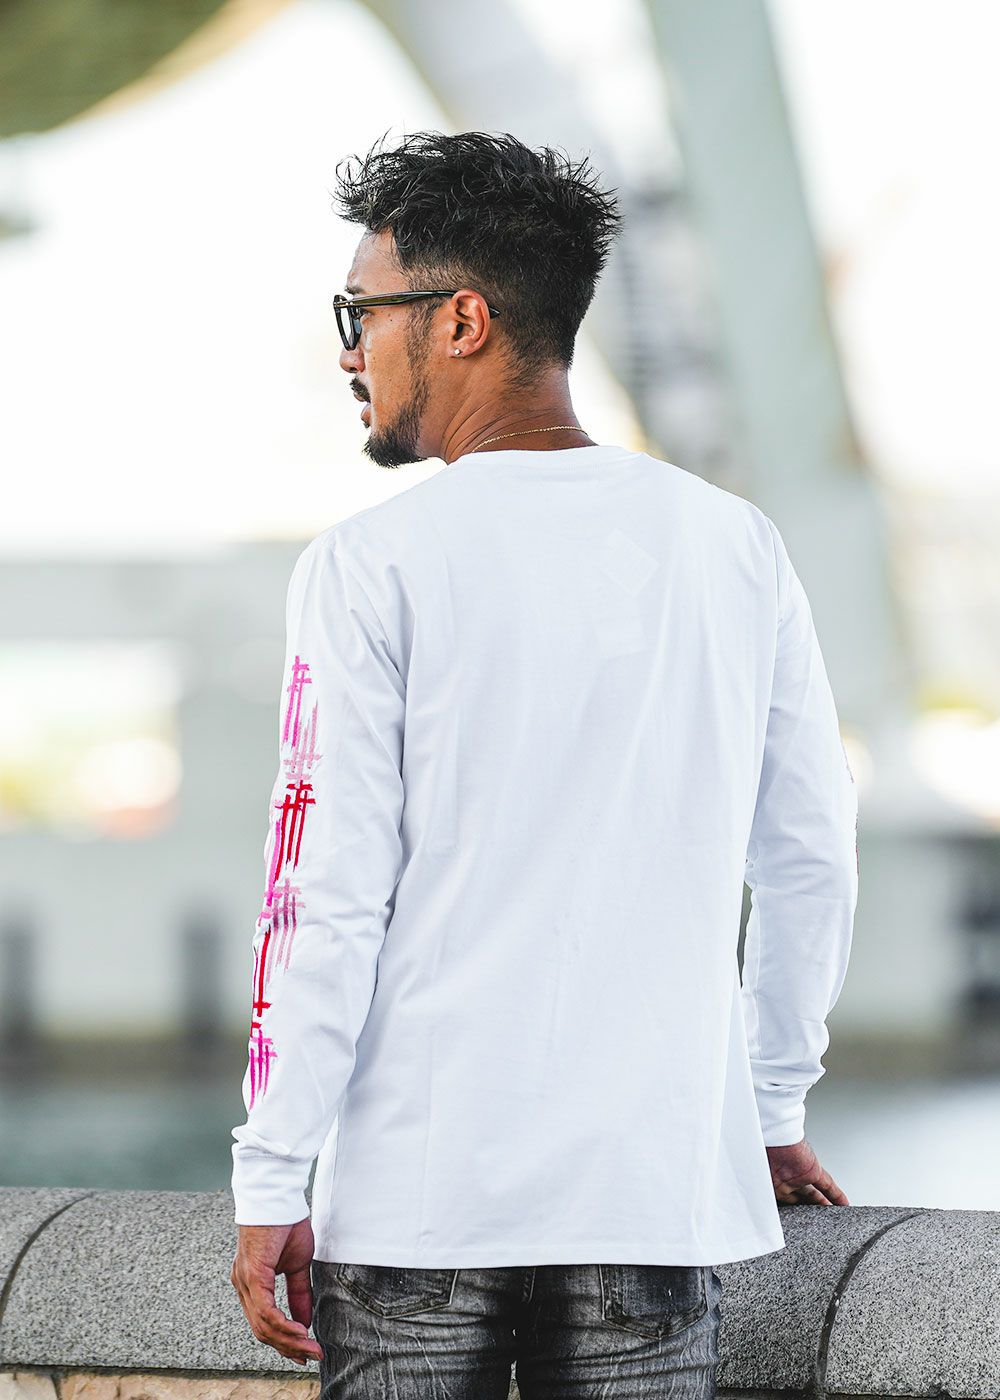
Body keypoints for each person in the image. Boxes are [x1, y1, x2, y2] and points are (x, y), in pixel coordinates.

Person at [229, 130, 860, 1399]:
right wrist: (767, 1105)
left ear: (461, 320)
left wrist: (271, 1170)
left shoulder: (371, 564)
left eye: (364, 313)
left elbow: (323, 895)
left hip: (419, 1196)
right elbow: (809, 858)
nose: (350, 351)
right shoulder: (733, 545)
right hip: (653, 1190)